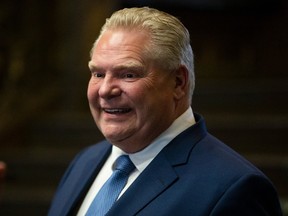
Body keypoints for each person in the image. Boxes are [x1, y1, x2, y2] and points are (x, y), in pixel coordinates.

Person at [48, 7, 282, 216]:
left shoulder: (235, 188)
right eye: (98, 74)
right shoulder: (85, 162)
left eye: (128, 74)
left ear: (178, 82)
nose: (106, 90)